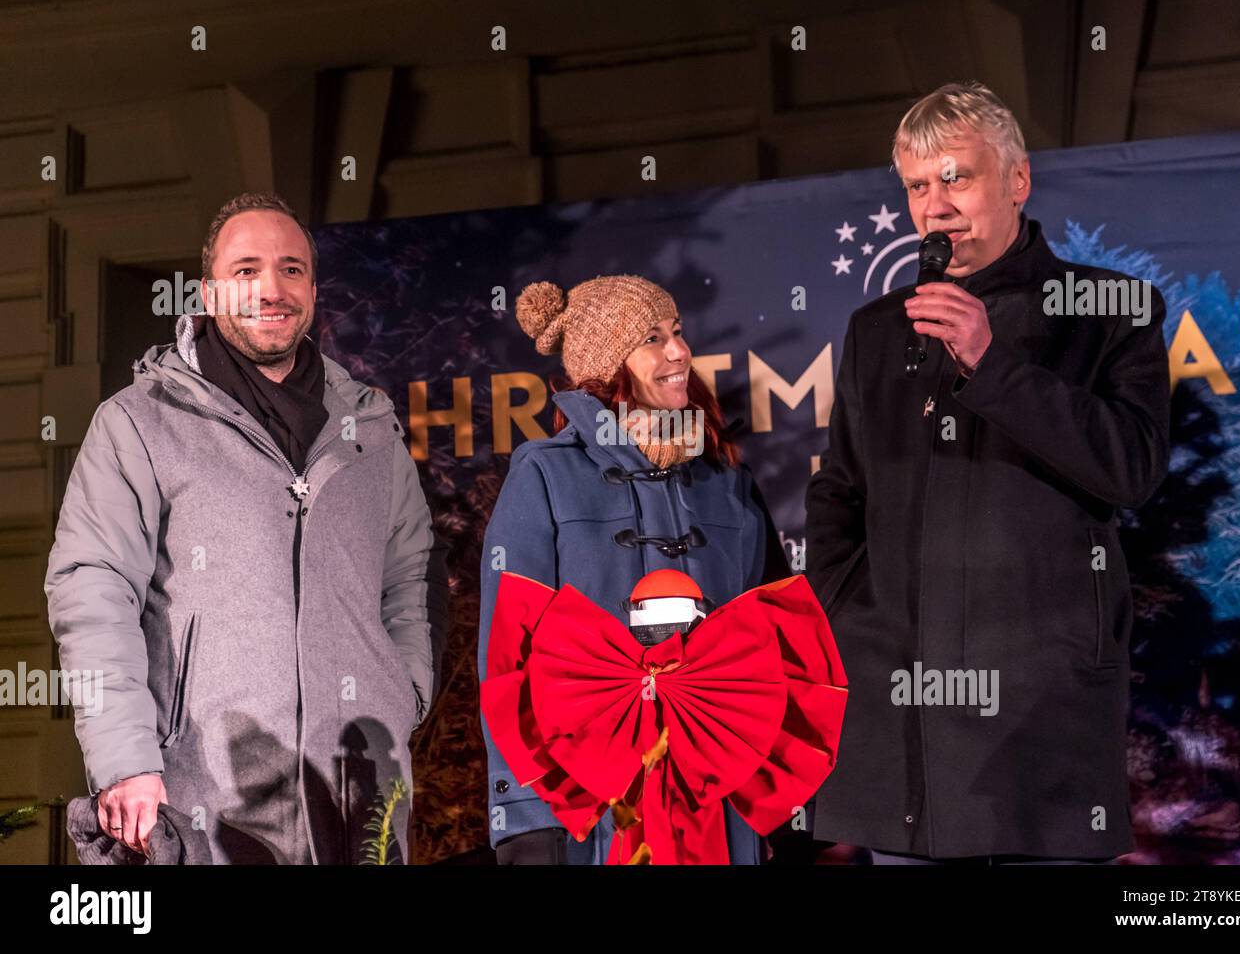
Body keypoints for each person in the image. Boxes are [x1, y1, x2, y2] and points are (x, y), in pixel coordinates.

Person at [805, 82, 1171, 863]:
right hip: (902, 712)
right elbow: (840, 488)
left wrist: (991, 365)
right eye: (915, 186)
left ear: (1017, 179)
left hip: (1042, 717)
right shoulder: (876, 330)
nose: (934, 205)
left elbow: (1131, 468)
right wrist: (854, 615)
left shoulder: (1110, 308)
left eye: (955, 177)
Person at [45, 193, 444, 864]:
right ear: (207, 291)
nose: (271, 288)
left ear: (313, 288)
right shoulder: (140, 421)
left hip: (359, 795)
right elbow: (92, 592)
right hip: (202, 793)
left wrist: (398, 694)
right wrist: (124, 759)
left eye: (292, 269)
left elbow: (410, 574)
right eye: (247, 269)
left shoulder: (369, 429)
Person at [479, 275, 788, 864]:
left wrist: (776, 801)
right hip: (593, 807)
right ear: (606, 367)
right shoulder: (543, 473)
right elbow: (508, 655)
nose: (679, 352)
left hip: (719, 803)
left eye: (677, 332)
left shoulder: (728, 482)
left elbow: (769, 648)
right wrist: (524, 817)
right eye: (652, 338)